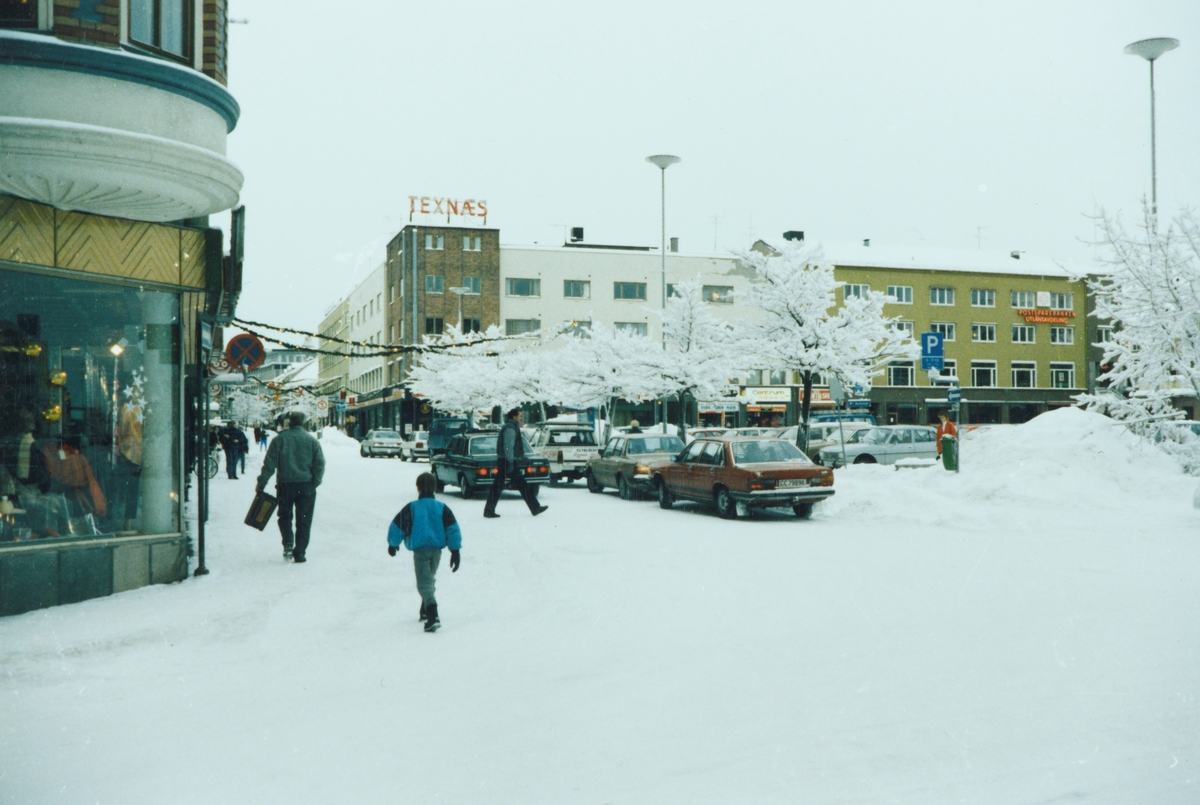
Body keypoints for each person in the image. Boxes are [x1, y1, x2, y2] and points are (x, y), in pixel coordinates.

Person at [387, 472, 462, 632]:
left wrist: (393, 543)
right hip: (436, 551)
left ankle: (432, 614)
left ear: (418, 488)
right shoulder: (442, 508)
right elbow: (452, 529)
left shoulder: (412, 507)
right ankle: (425, 608)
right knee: (429, 579)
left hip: (420, 551)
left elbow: (398, 524)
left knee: (424, 583)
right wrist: (455, 550)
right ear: (434, 488)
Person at [256, 411, 325, 563]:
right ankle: (300, 552)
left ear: (289, 423)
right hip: (306, 485)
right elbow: (320, 464)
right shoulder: (311, 441)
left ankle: (288, 542)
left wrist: (261, 484)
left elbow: (269, 464)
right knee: (304, 519)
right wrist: (314, 482)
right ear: (304, 423)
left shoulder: (279, 440)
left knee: (284, 516)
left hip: (285, 485)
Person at [483, 407, 548, 519]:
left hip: (506, 460)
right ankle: (535, 507)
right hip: (507, 461)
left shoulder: (511, 427)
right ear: (514, 416)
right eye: (520, 416)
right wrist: (511, 461)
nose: (521, 418)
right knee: (519, 485)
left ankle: (489, 509)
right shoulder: (510, 428)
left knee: (501, 486)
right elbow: (508, 446)